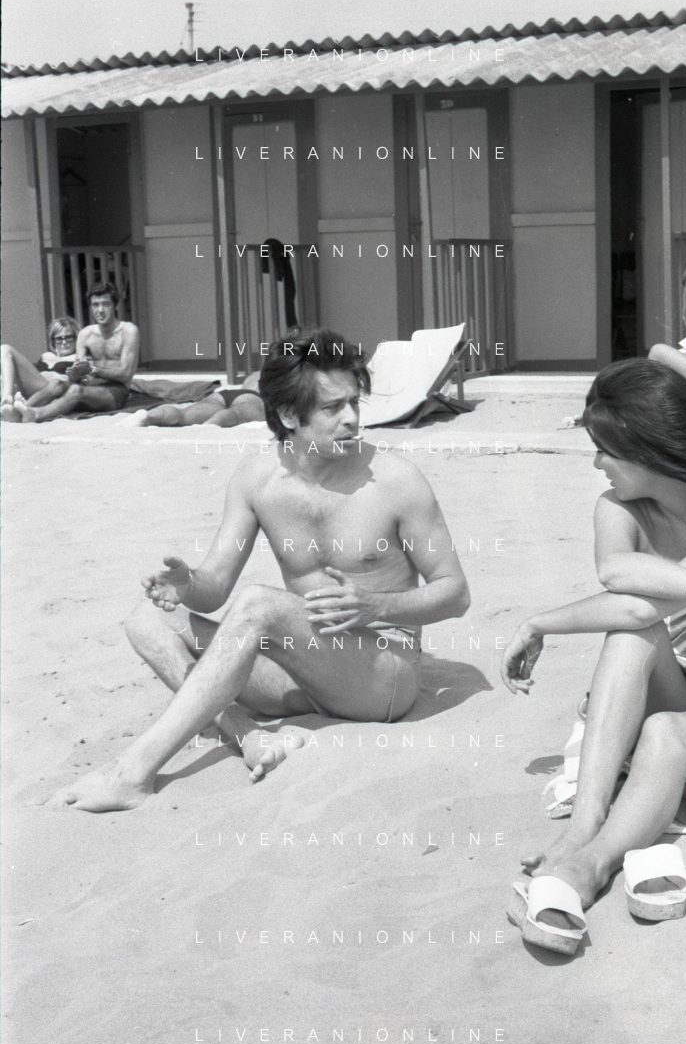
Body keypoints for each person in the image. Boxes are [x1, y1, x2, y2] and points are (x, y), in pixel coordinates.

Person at [45, 327, 470, 812]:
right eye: (333, 407)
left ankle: (131, 773)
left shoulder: (396, 481)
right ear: (288, 415)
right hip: (299, 671)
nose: (353, 418)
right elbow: (214, 589)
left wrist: (377, 606)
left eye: (354, 402)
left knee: (259, 605)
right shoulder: (256, 478)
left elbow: (455, 592)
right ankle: (246, 734)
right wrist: (187, 584)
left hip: (380, 678)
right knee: (147, 619)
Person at [501, 359, 686, 954]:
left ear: (651, 450)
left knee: (663, 732)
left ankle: (592, 865)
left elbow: (635, 605)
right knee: (633, 638)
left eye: (605, 450)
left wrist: (541, 622)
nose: (597, 464)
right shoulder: (619, 507)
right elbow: (616, 577)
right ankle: (584, 825)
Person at [14, 282, 140, 422]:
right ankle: (19, 410)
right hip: (90, 386)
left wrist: (93, 370)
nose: (100, 310)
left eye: (106, 304)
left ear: (115, 306)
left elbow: (125, 374)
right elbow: (78, 375)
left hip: (115, 392)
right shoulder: (86, 334)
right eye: (95, 305)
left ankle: (37, 414)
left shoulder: (128, 331)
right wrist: (75, 374)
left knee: (76, 390)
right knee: (57, 384)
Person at [1, 317, 80, 422]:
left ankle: (7, 401)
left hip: (51, 389)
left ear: (76, 339)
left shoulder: (78, 358)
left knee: (6, 348)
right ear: (53, 341)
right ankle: (9, 406)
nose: (64, 342)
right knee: (5, 371)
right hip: (34, 388)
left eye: (68, 337)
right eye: (59, 338)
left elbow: (75, 382)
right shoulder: (46, 356)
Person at [137, 370, 267, 427]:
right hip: (251, 396)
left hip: (223, 394)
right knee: (237, 414)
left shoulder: (254, 374)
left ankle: (148, 416)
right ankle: (211, 424)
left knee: (184, 414)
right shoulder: (273, 373)